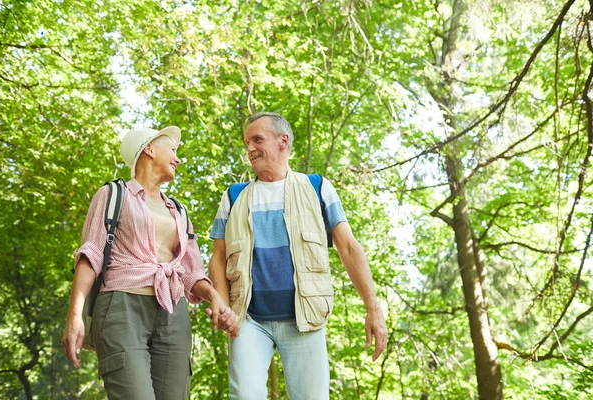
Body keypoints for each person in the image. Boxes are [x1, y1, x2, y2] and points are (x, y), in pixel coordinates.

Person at [208, 112, 388, 399]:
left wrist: (373, 308)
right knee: (244, 395)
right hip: (249, 321)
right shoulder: (233, 196)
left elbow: (349, 248)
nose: (250, 148)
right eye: (246, 142)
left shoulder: (317, 187)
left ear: (283, 141)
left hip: (305, 320)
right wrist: (225, 307)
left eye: (257, 139)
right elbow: (217, 257)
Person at [62, 126, 238, 400]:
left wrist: (214, 296)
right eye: (173, 150)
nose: (177, 159)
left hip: (173, 311)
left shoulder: (178, 211)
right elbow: (90, 257)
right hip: (122, 308)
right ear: (149, 149)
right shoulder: (112, 195)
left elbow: (192, 271)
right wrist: (75, 316)